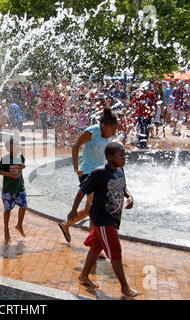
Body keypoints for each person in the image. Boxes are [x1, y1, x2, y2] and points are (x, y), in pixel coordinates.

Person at [74, 142, 140, 298]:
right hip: (101, 217)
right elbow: (83, 189)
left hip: (112, 217)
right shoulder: (99, 173)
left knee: (96, 247)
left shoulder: (120, 170)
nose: (124, 158)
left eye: (125, 155)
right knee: (115, 251)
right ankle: (124, 287)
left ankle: (83, 276)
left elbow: (123, 187)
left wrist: (129, 197)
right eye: (121, 155)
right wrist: (72, 210)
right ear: (110, 157)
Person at [58, 107, 118, 243]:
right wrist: (75, 168)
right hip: (87, 173)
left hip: (99, 174)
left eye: (115, 130)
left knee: (87, 210)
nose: (113, 132)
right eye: (112, 129)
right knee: (97, 208)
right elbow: (76, 145)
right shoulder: (93, 130)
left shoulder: (106, 137)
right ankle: (95, 244)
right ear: (104, 125)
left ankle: (65, 225)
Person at [0, 137, 27, 242]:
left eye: (19, 144)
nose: (19, 146)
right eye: (16, 145)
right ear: (9, 148)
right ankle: (6, 229)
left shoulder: (20, 156)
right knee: (8, 210)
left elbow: (23, 165)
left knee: (24, 206)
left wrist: (22, 166)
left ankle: (19, 225)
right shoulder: (6, 159)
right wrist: (10, 174)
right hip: (8, 189)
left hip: (20, 187)